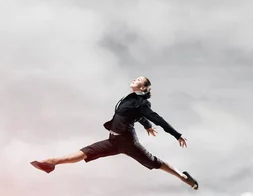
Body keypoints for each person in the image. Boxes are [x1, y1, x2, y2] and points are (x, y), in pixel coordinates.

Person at [30, 76, 198, 190]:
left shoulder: (142, 103)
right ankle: (49, 163)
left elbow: (157, 119)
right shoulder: (131, 98)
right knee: (84, 153)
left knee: (155, 162)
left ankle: (183, 177)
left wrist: (177, 135)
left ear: (144, 87)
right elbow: (133, 115)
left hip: (128, 142)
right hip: (113, 141)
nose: (134, 80)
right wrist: (146, 125)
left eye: (138, 80)